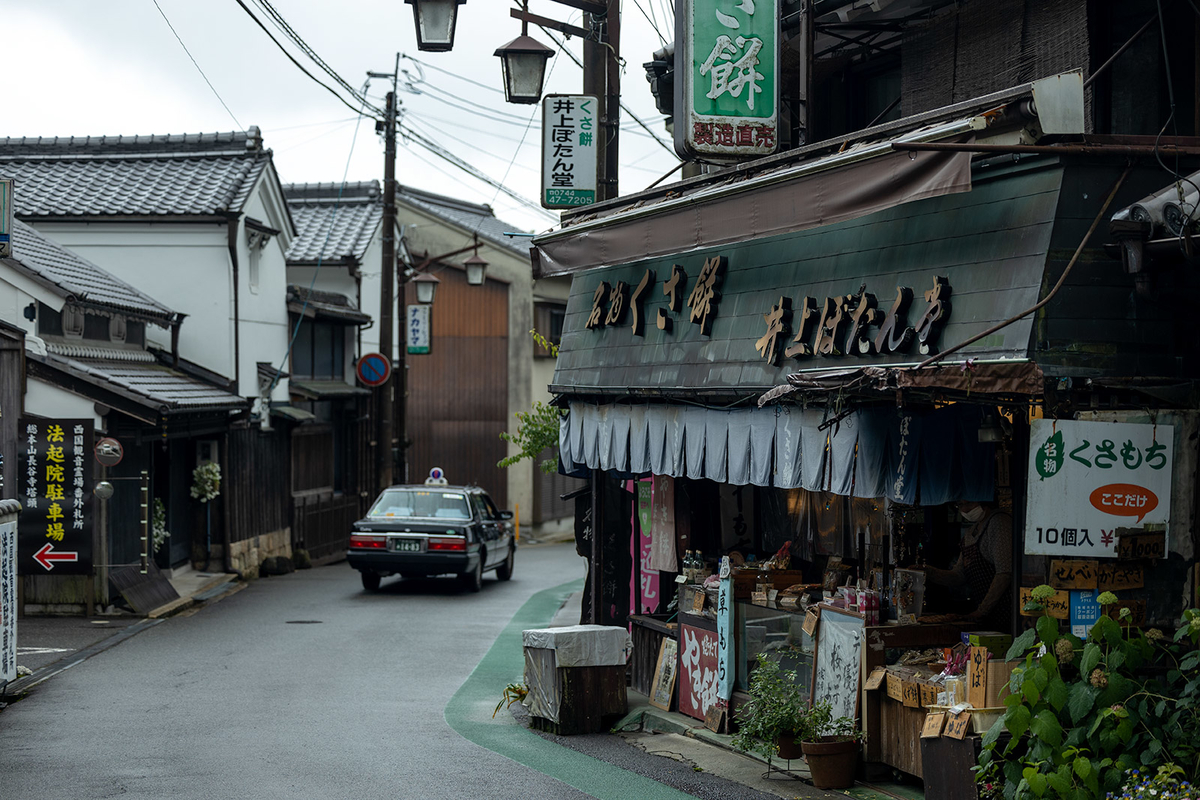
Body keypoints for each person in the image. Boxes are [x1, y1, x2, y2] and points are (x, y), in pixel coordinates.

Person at [923, 501, 1012, 630]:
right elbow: (958, 576)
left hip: (1005, 613)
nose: (963, 510)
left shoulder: (1000, 522)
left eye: (967, 504)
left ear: (983, 499)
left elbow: (1005, 573)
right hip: (985, 617)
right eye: (959, 506)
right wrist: (927, 572)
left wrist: (982, 610)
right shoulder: (971, 532)